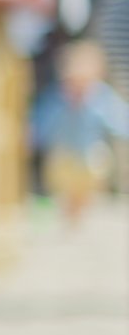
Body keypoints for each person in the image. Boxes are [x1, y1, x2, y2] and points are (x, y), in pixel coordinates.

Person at [32, 40, 129, 226]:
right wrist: (35, 136)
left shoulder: (100, 98)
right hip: (64, 153)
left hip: (88, 153)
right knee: (62, 182)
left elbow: (117, 117)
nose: (78, 88)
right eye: (73, 81)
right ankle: (69, 212)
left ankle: (78, 210)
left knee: (94, 172)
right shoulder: (57, 99)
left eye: (84, 82)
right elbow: (43, 118)